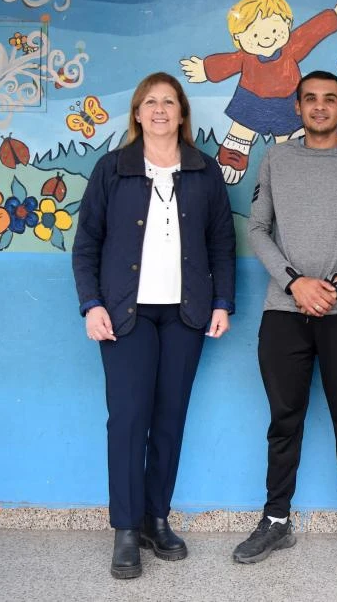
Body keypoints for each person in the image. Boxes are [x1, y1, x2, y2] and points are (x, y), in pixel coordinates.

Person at [71, 71, 236, 580]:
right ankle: (125, 529)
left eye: (169, 102)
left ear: (182, 113)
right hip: (126, 314)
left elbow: (222, 245)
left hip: (186, 315)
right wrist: (91, 303)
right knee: (128, 418)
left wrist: (223, 302)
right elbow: (87, 246)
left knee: (169, 418)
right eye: (150, 102)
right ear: (138, 114)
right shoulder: (111, 170)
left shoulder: (204, 172)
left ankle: (154, 519)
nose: (160, 109)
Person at [238, 70, 337, 569]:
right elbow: (258, 230)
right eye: (310, 100)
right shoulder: (276, 158)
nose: (320, 107)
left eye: (330, 100)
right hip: (285, 313)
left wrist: (336, 286)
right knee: (285, 421)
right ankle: (276, 522)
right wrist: (295, 283)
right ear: (297, 108)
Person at [180, 0, 337, 184]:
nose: (266, 38)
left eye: (273, 30)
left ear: (287, 25)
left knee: (288, 136)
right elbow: (226, 63)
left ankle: (294, 161)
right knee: (242, 128)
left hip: (286, 104)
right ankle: (234, 154)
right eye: (255, 34)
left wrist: (335, 15)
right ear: (238, 39)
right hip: (251, 101)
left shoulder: (292, 47)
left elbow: (311, 32)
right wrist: (205, 69)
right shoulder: (244, 57)